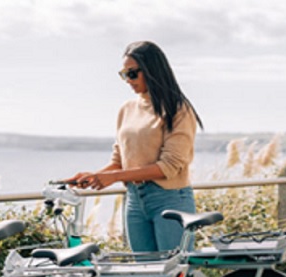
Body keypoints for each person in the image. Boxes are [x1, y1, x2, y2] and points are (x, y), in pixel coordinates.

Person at [65, 40, 203, 253]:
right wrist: (94, 176)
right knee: (144, 274)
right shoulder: (126, 109)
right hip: (135, 201)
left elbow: (169, 166)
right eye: (124, 74)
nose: (127, 80)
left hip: (170, 199)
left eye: (132, 73)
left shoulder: (178, 110)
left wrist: (116, 177)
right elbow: (119, 161)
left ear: (151, 70)